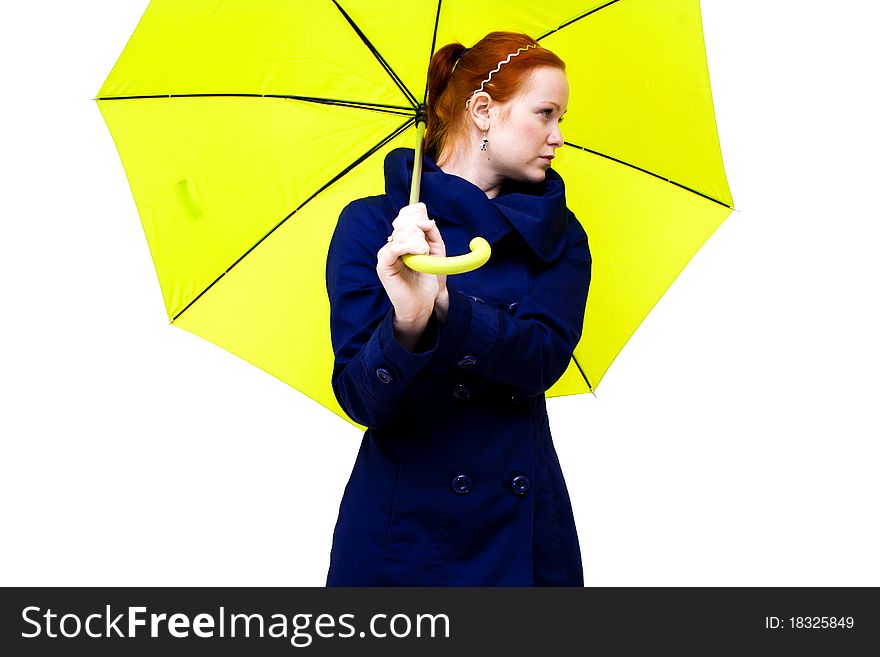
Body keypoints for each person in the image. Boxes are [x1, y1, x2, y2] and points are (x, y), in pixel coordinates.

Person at [324, 31, 591, 586]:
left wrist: (448, 307)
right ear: (483, 110)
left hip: (521, 535)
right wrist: (408, 320)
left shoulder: (560, 236)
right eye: (545, 114)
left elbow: (543, 359)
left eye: (560, 117)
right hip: (404, 538)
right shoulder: (374, 226)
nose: (558, 137)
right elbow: (359, 398)